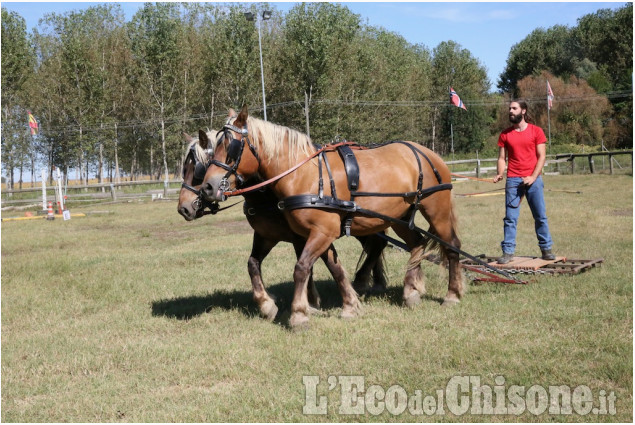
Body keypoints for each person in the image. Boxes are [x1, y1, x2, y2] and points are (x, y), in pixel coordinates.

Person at [493, 100, 555, 264]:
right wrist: (500, 173)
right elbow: (501, 158)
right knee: (510, 218)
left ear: (523, 111)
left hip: (533, 180)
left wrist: (533, 177)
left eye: (514, 108)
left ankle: (546, 249)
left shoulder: (536, 131)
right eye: (509, 109)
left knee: (540, 216)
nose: (510, 111)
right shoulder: (505, 134)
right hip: (513, 181)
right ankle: (508, 252)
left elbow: (541, 157)